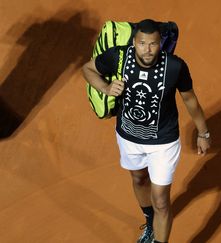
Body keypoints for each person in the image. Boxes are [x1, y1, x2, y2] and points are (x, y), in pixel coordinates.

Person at [82, 19, 211, 243]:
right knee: (139, 179)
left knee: (161, 199)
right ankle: (150, 224)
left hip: (163, 141)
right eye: (142, 43)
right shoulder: (119, 57)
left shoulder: (175, 66)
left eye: (152, 44)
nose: (147, 50)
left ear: (160, 43)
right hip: (128, 137)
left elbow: (190, 100)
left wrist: (203, 133)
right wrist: (105, 87)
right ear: (134, 42)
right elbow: (88, 68)